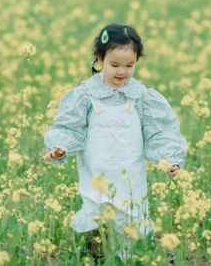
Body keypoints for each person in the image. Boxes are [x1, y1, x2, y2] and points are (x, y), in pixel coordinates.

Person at [43, 23, 188, 262]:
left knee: (131, 214)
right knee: (96, 213)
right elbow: (69, 126)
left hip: (131, 174)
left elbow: (160, 131)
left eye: (129, 66)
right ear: (100, 59)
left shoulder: (142, 97)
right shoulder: (85, 95)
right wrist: (60, 148)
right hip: (96, 172)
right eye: (115, 65)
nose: (122, 72)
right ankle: (97, 253)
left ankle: (133, 256)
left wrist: (170, 158)